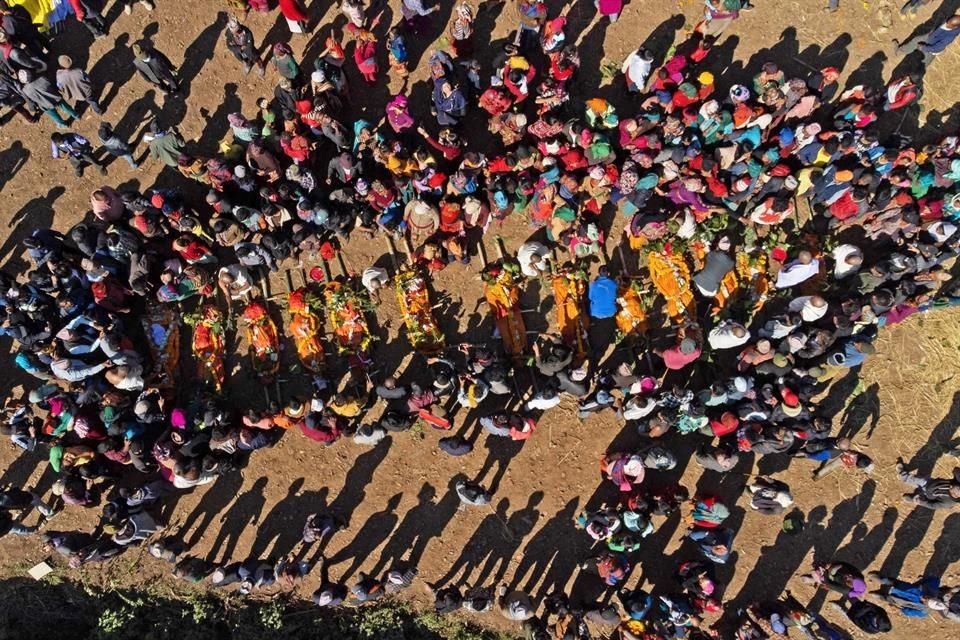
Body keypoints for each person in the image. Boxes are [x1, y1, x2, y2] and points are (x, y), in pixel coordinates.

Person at [894, 12, 960, 65]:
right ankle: (900, 51)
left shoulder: (950, 37)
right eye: (947, 22)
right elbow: (940, 26)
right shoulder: (949, 22)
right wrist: (933, 31)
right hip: (930, 37)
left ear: (954, 27)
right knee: (914, 41)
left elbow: (938, 48)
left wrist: (924, 47)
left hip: (931, 49)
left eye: (948, 25)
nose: (946, 24)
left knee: (923, 62)